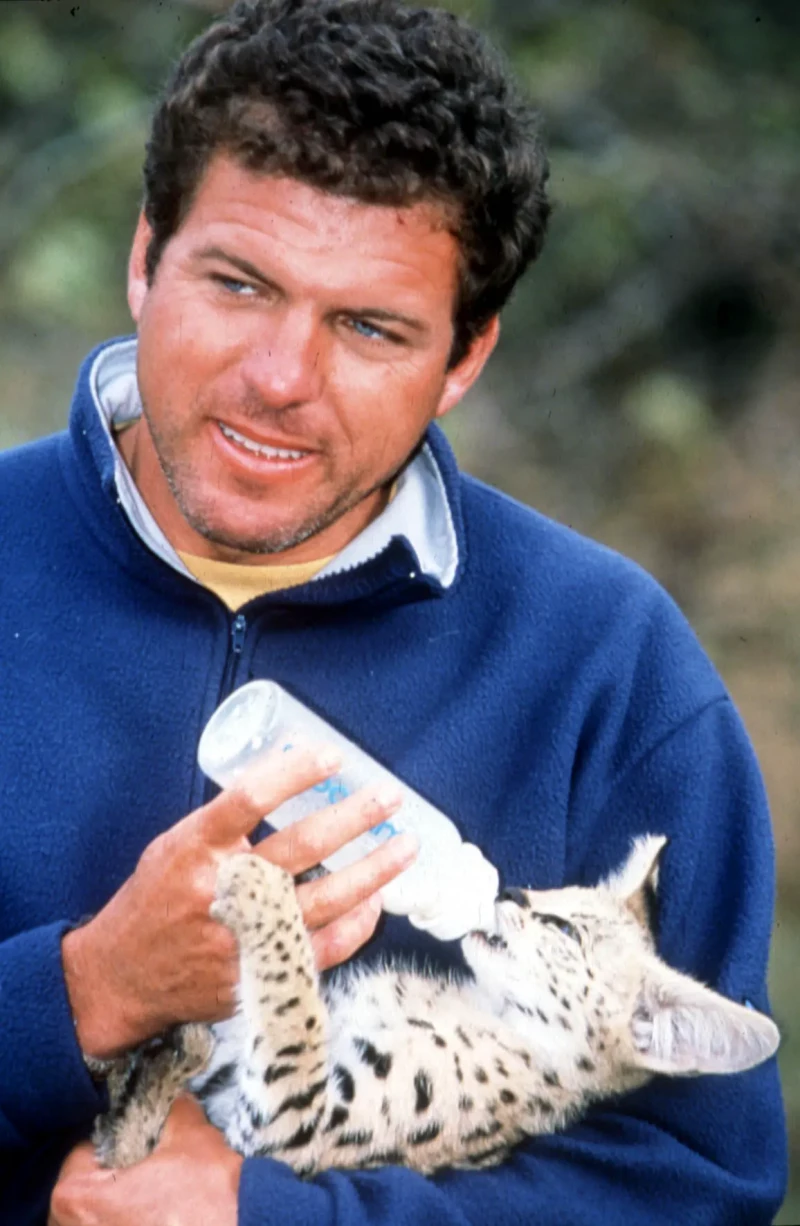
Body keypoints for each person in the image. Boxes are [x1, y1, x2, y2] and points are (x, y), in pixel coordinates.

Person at [0, 0, 786, 1223]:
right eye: (239, 281)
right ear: (146, 255)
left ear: (464, 356)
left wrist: (272, 1215)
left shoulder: (611, 668)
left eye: (368, 326)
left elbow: (691, 1189)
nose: (279, 378)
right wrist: (77, 996)